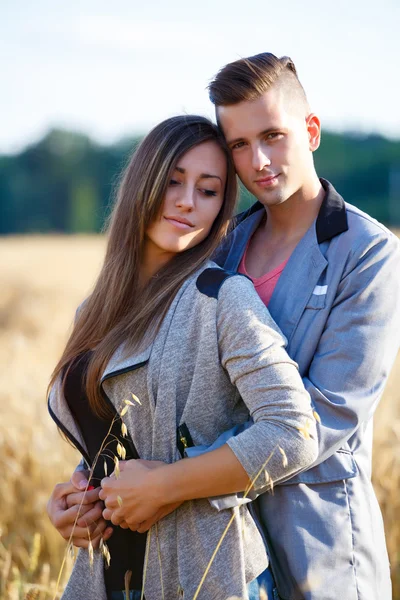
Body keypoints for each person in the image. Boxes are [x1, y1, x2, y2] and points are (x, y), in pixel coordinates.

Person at [48, 53, 400, 599]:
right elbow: (167, 392)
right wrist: (99, 486)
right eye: (238, 144)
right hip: (203, 541)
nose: (258, 160)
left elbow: (319, 421)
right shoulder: (216, 242)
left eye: (273, 136)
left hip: (312, 537)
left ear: (310, 132)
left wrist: (165, 482)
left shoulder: (369, 254)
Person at [47, 114, 318, 600]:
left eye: (209, 190)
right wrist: (76, 500)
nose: (187, 202)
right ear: (141, 182)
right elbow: (118, 439)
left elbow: (293, 433)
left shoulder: (221, 298)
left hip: (204, 574)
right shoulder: (93, 312)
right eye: (173, 181)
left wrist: (167, 485)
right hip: (105, 579)